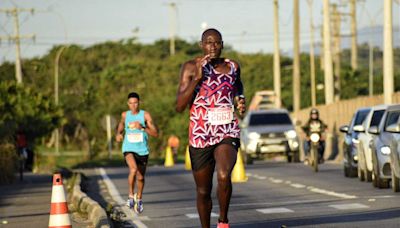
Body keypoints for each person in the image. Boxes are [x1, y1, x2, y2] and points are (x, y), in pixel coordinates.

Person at [175, 28, 246, 228]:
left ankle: (223, 222)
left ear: (222, 45)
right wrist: (197, 78)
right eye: (208, 42)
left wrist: (239, 98)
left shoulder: (232, 66)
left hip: (227, 130)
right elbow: (179, 105)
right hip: (200, 134)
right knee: (204, 191)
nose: (212, 46)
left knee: (224, 175)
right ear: (201, 45)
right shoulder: (190, 67)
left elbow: (237, 84)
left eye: (216, 42)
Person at [115, 92, 158, 214]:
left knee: (140, 177)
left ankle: (139, 198)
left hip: (142, 150)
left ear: (139, 103)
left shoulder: (145, 116)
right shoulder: (125, 115)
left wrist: (143, 128)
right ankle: (130, 196)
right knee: (133, 170)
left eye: (135, 103)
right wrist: (118, 134)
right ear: (128, 104)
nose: (133, 105)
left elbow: (155, 133)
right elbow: (121, 125)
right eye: (131, 103)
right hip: (128, 148)